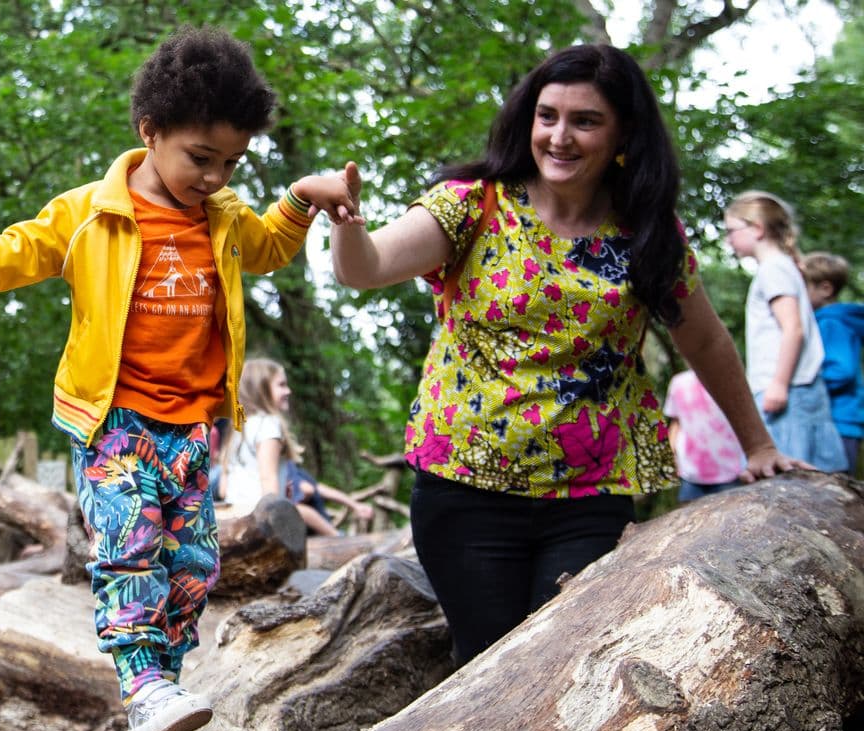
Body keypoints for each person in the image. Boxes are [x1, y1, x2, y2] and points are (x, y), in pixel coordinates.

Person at [0, 26, 359, 731]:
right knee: (128, 546)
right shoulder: (89, 213)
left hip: (194, 428)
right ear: (150, 131)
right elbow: (8, 254)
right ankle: (143, 684)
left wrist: (303, 196)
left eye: (231, 162)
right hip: (114, 419)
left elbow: (269, 249)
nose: (214, 177)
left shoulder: (227, 216)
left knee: (197, 566)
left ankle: (165, 678)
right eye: (200, 158)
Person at [329, 44, 804, 666]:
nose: (560, 136)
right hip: (465, 490)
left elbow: (707, 341)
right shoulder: (472, 204)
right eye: (547, 116)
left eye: (585, 121)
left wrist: (758, 445)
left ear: (623, 134)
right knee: (487, 669)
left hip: (591, 493)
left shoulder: (647, 232)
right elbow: (366, 268)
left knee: (570, 665)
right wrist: (344, 216)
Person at [725, 191, 847, 473]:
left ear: (757, 229)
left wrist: (778, 384)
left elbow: (793, 328)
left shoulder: (774, 269)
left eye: (732, 231)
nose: (729, 239)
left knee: (791, 482)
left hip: (787, 391)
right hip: (796, 390)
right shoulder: (783, 267)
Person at [221, 358, 374, 537]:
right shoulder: (268, 425)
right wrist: (275, 521)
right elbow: (267, 477)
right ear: (261, 389)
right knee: (300, 512)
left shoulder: (238, 429)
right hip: (260, 519)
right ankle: (340, 539)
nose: (288, 390)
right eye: (281, 385)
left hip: (235, 515)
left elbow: (225, 488)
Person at [802, 251, 864, 474]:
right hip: (839, 420)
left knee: (834, 490)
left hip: (839, 421)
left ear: (825, 289)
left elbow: (842, 370)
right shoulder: (832, 321)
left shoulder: (831, 323)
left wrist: (805, 383)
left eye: (803, 287)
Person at [663, 369, 745, 501]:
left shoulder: (728, 379)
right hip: (691, 473)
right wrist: (670, 455)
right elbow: (676, 423)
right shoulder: (678, 382)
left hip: (728, 471)